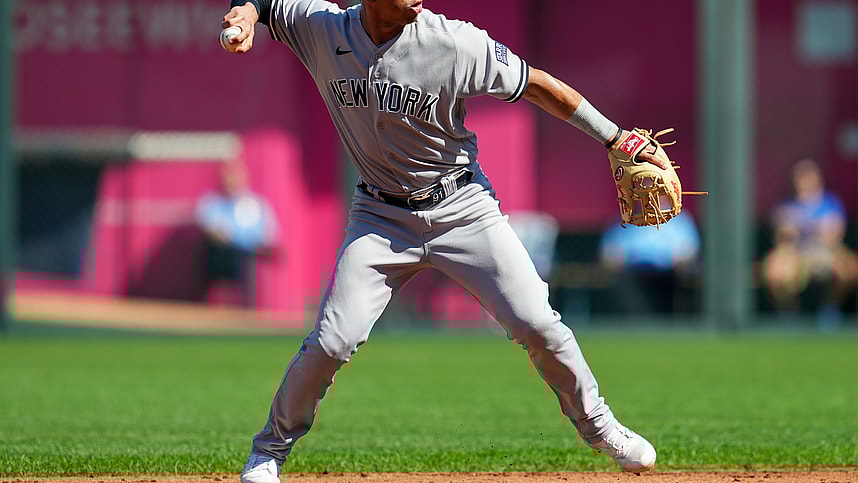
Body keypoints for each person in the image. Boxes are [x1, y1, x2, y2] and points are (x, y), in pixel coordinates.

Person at [221, 1, 668, 481]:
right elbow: (260, 2)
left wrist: (615, 137)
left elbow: (535, 84)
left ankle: (600, 426)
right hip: (379, 216)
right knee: (332, 340)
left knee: (538, 323)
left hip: (462, 207)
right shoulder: (319, 26)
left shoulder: (454, 41)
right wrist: (244, 15)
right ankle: (269, 451)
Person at [761, 158, 858, 326]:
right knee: (775, 268)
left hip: (824, 253)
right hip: (796, 254)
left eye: (808, 176)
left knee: (848, 268)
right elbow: (781, 240)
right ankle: (788, 313)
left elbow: (834, 235)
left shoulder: (831, 202)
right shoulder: (786, 206)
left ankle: (830, 309)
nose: (804, 181)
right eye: (800, 177)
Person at [196, 160, 279, 306]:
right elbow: (210, 230)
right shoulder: (211, 202)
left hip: (252, 255)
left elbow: (269, 233)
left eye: (235, 176)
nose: (231, 181)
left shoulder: (255, 204)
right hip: (224, 254)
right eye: (228, 176)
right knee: (223, 253)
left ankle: (256, 305)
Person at [599, 212, 701, 314]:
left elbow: (690, 252)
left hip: (668, 273)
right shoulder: (625, 220)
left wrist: (681, 259)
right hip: (633, 273)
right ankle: (638, 321)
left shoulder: (680, 221)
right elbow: (609, 253)